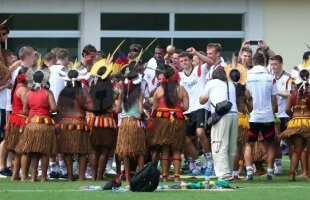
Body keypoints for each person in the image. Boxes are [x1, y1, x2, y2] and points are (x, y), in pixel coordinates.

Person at [16, 67, 58, 182]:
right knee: (44, 151)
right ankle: (43, 177)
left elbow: (25, 110)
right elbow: (54, 108)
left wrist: (34, 111)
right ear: (45, 80)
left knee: (32, 151)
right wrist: (47, 111)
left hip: (31, 124)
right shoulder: (48, 92)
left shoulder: (29, 93)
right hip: (44, 124)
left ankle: (33, 177)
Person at [149, 65, 189, 182]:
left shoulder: (159, 89)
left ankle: (165, 177)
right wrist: (177, 108)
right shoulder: (181, 89)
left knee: (165, 149)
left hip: (162, 121)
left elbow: (155, 107)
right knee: (177, 148)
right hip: (177, 120)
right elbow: (186, 107)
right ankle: (177, 177)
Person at [243, 53, 278, 181]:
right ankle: (269, 171)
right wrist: (273, 111)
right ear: (264, 62)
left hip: (252, 116)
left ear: (252, 62)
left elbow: (246, 96)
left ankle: (249, 172)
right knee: (270, 144)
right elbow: (274, 99)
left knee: (248, 144)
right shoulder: (271, 77)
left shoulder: (247, 76)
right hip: (267, 116)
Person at [199, 69, 238, 181]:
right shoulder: (230, 84)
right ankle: (229, 172)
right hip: (234, 115)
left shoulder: (211, 83)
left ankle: (223, 174)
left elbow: (202, 100)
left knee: (219, 144)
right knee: (231, 146)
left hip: (221, 116)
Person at [179, 51, 213, 176]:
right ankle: (198, 164)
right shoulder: (179, 75)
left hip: (201, 107)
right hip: (187, 110)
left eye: (186, 60)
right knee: (186, 139)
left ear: (190, 60)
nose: (184, 63)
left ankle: (210, 162)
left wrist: (196, 53)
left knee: (200, 133)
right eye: (181, 61)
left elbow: (210, 62)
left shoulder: (200, 69)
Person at [57, 66, 94, 181]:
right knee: (82, 151)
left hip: (65, 124)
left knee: (68, 151)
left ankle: (69, 177)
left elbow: (58, 108)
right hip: (80, 123)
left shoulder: (63, 92)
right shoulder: (82, 92)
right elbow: (91, 107)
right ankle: (82, 177)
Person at [88, 59, 120, 181]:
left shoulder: (92, 89)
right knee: (105, 150)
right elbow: (115, 109)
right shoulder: (112, 91)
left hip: (94, 122)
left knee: (94, 150)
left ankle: (93, 176)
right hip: (107, 122)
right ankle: (100, 176)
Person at [115, 71, 146, 182]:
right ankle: (142, 175)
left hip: (124, 124)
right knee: (140, 151)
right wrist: (145, 115)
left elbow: (117, 110)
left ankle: (127, 177)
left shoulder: (122, 93)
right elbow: (141, 110)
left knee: (126, 151)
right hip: (136, 123)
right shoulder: (140, 93)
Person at [280, 69, 310, 181]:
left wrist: (295, 116)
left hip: (296, 123)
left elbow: (287, 109)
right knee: (309, 151)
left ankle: (292, 174)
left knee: (297, 150)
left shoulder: (293, 93)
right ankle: (308, 175)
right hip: (308, 122)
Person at [4, 67, 29, 180]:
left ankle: (15, 175)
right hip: (21, 121)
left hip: (14, 120)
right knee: (23, 149)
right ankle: (24, 175)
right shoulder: (24, 89)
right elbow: (25, 110)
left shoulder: (17, 87)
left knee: (18, 150)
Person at [270, 55, 291, 175]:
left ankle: (294, 166)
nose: (273, 67)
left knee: (289, 141)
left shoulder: (288, 77)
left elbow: (291, 94)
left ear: (281, 64)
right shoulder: (269, 77)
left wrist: (276, 92)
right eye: (272, 64)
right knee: (275, 141)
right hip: (274, 114)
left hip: (285, 114)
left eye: (275, 64)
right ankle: (278, 165)